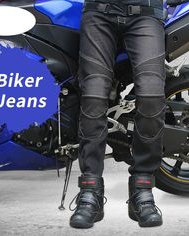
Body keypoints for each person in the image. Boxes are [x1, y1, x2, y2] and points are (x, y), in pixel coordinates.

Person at [69, 0, 166, 228]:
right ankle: (90, 192)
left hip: (146, 13)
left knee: (152, 97)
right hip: (98, 11)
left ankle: (142, 191)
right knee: (93, 97)